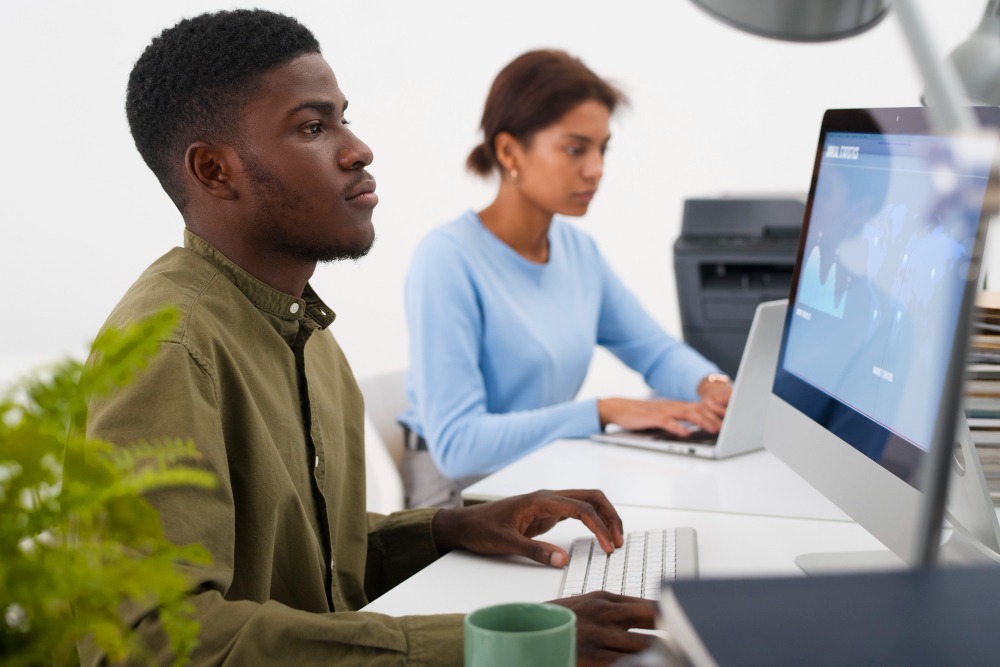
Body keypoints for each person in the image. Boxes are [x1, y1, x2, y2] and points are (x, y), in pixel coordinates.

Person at [81, 10, 656, 666]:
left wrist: (451, 527)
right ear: (215, 171)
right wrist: (491, 642)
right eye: (313, 126)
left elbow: (321, 566)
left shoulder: (307, 332)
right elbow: (155, 644)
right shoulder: (172, 350)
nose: (357, 149)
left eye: (343, 117)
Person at [399, 50, 733, 508]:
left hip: (537, 472)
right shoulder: (447, 259)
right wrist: (603, 411)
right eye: (575, 149)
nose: (596, 169)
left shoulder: (578, 252)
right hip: (457, 496)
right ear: (509, 151)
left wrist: (713, 387)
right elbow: (459, 447)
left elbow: (652, 350)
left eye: (602, 149)